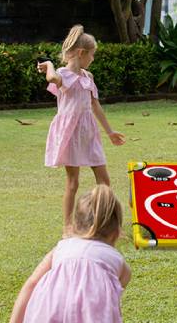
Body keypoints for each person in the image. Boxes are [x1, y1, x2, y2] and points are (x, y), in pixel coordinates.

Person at [5, 185, 131, 323]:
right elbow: (111, 304)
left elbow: (31, 284)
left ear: (74, 225)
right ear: (117, 232)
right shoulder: (117, 261)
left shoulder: (61, 249)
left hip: (48, 313)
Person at [37, 25, 125, 236]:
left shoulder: (88, 76)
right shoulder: (62, 75)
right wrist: (49, 64)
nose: (93, 59)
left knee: (104, 181)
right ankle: (68, 227)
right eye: (92, 55)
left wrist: (110, 132)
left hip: (89, 132)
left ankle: (105, 221)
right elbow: (51, 79)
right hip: (70, 133)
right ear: (81, 53)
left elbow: (95, 105)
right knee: (73, 182)